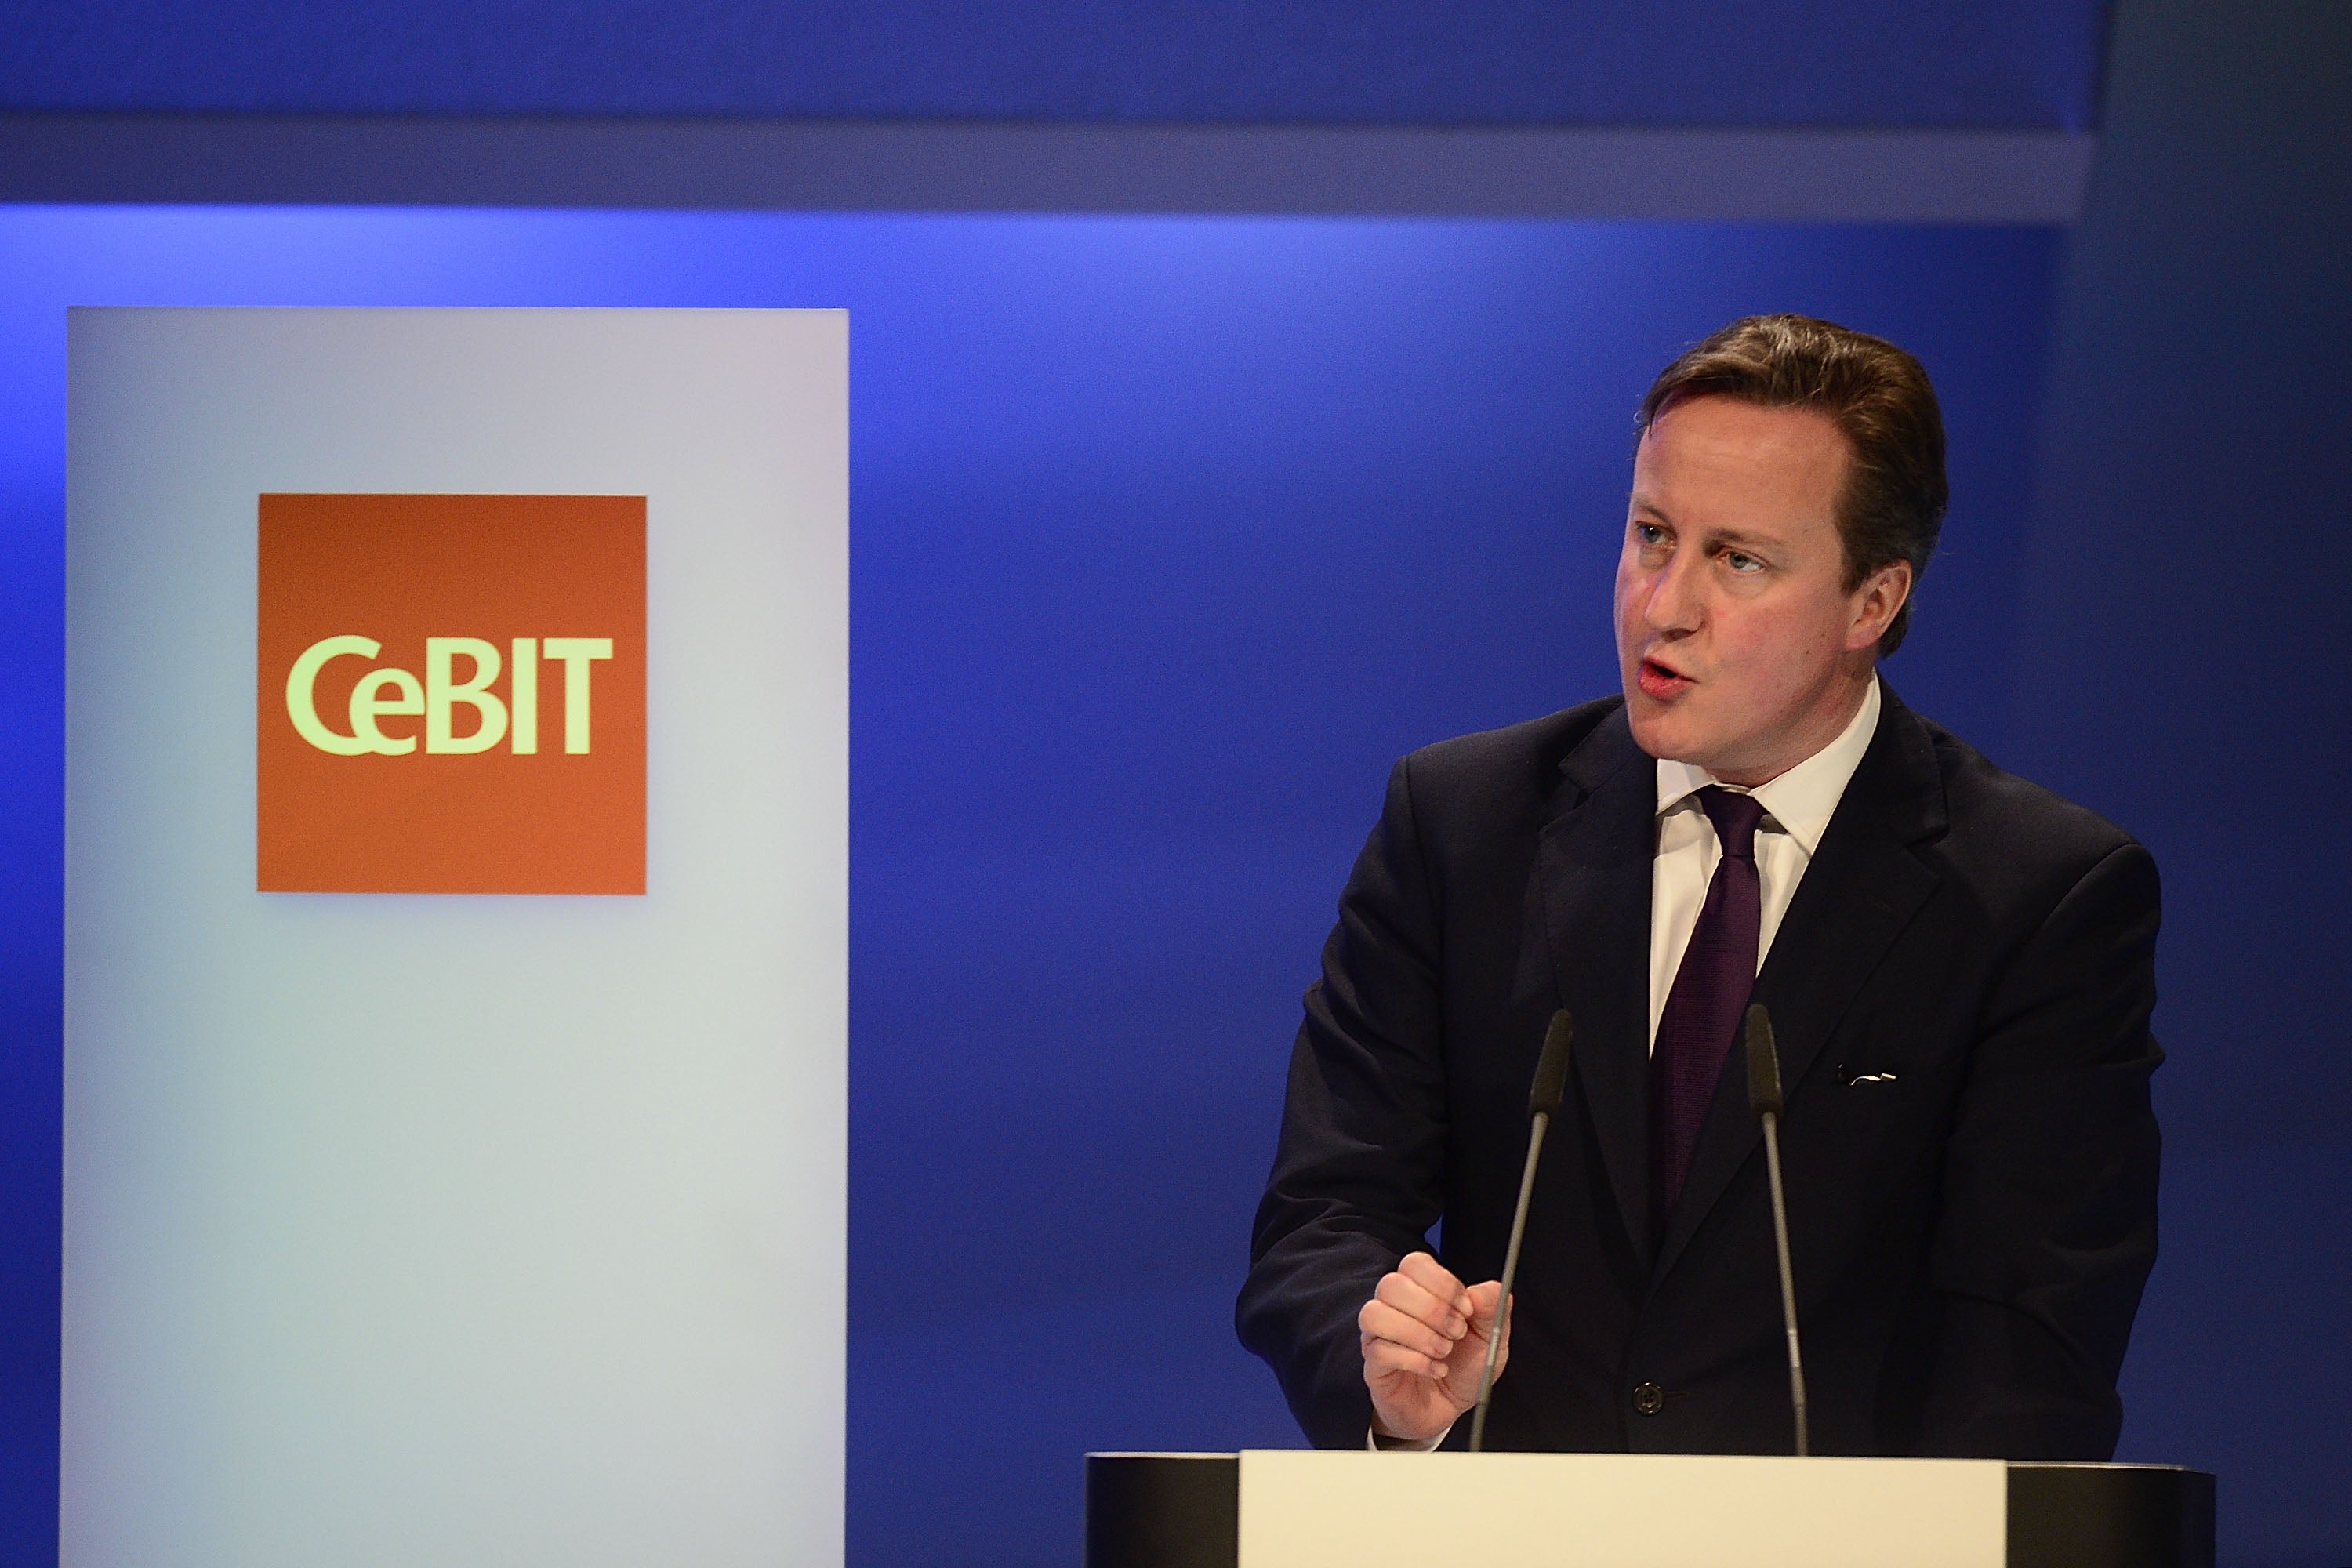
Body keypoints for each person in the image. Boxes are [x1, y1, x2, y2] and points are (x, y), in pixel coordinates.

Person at [1235, 314, 2161, 1459]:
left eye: (1740, 560)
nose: (1665, 605)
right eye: (1652, 534)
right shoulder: (1466, 828)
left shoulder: (2037, 897)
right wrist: (1390, 1376)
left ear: (1872, 604)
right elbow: (1324, 1220)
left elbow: (2029, 1347)